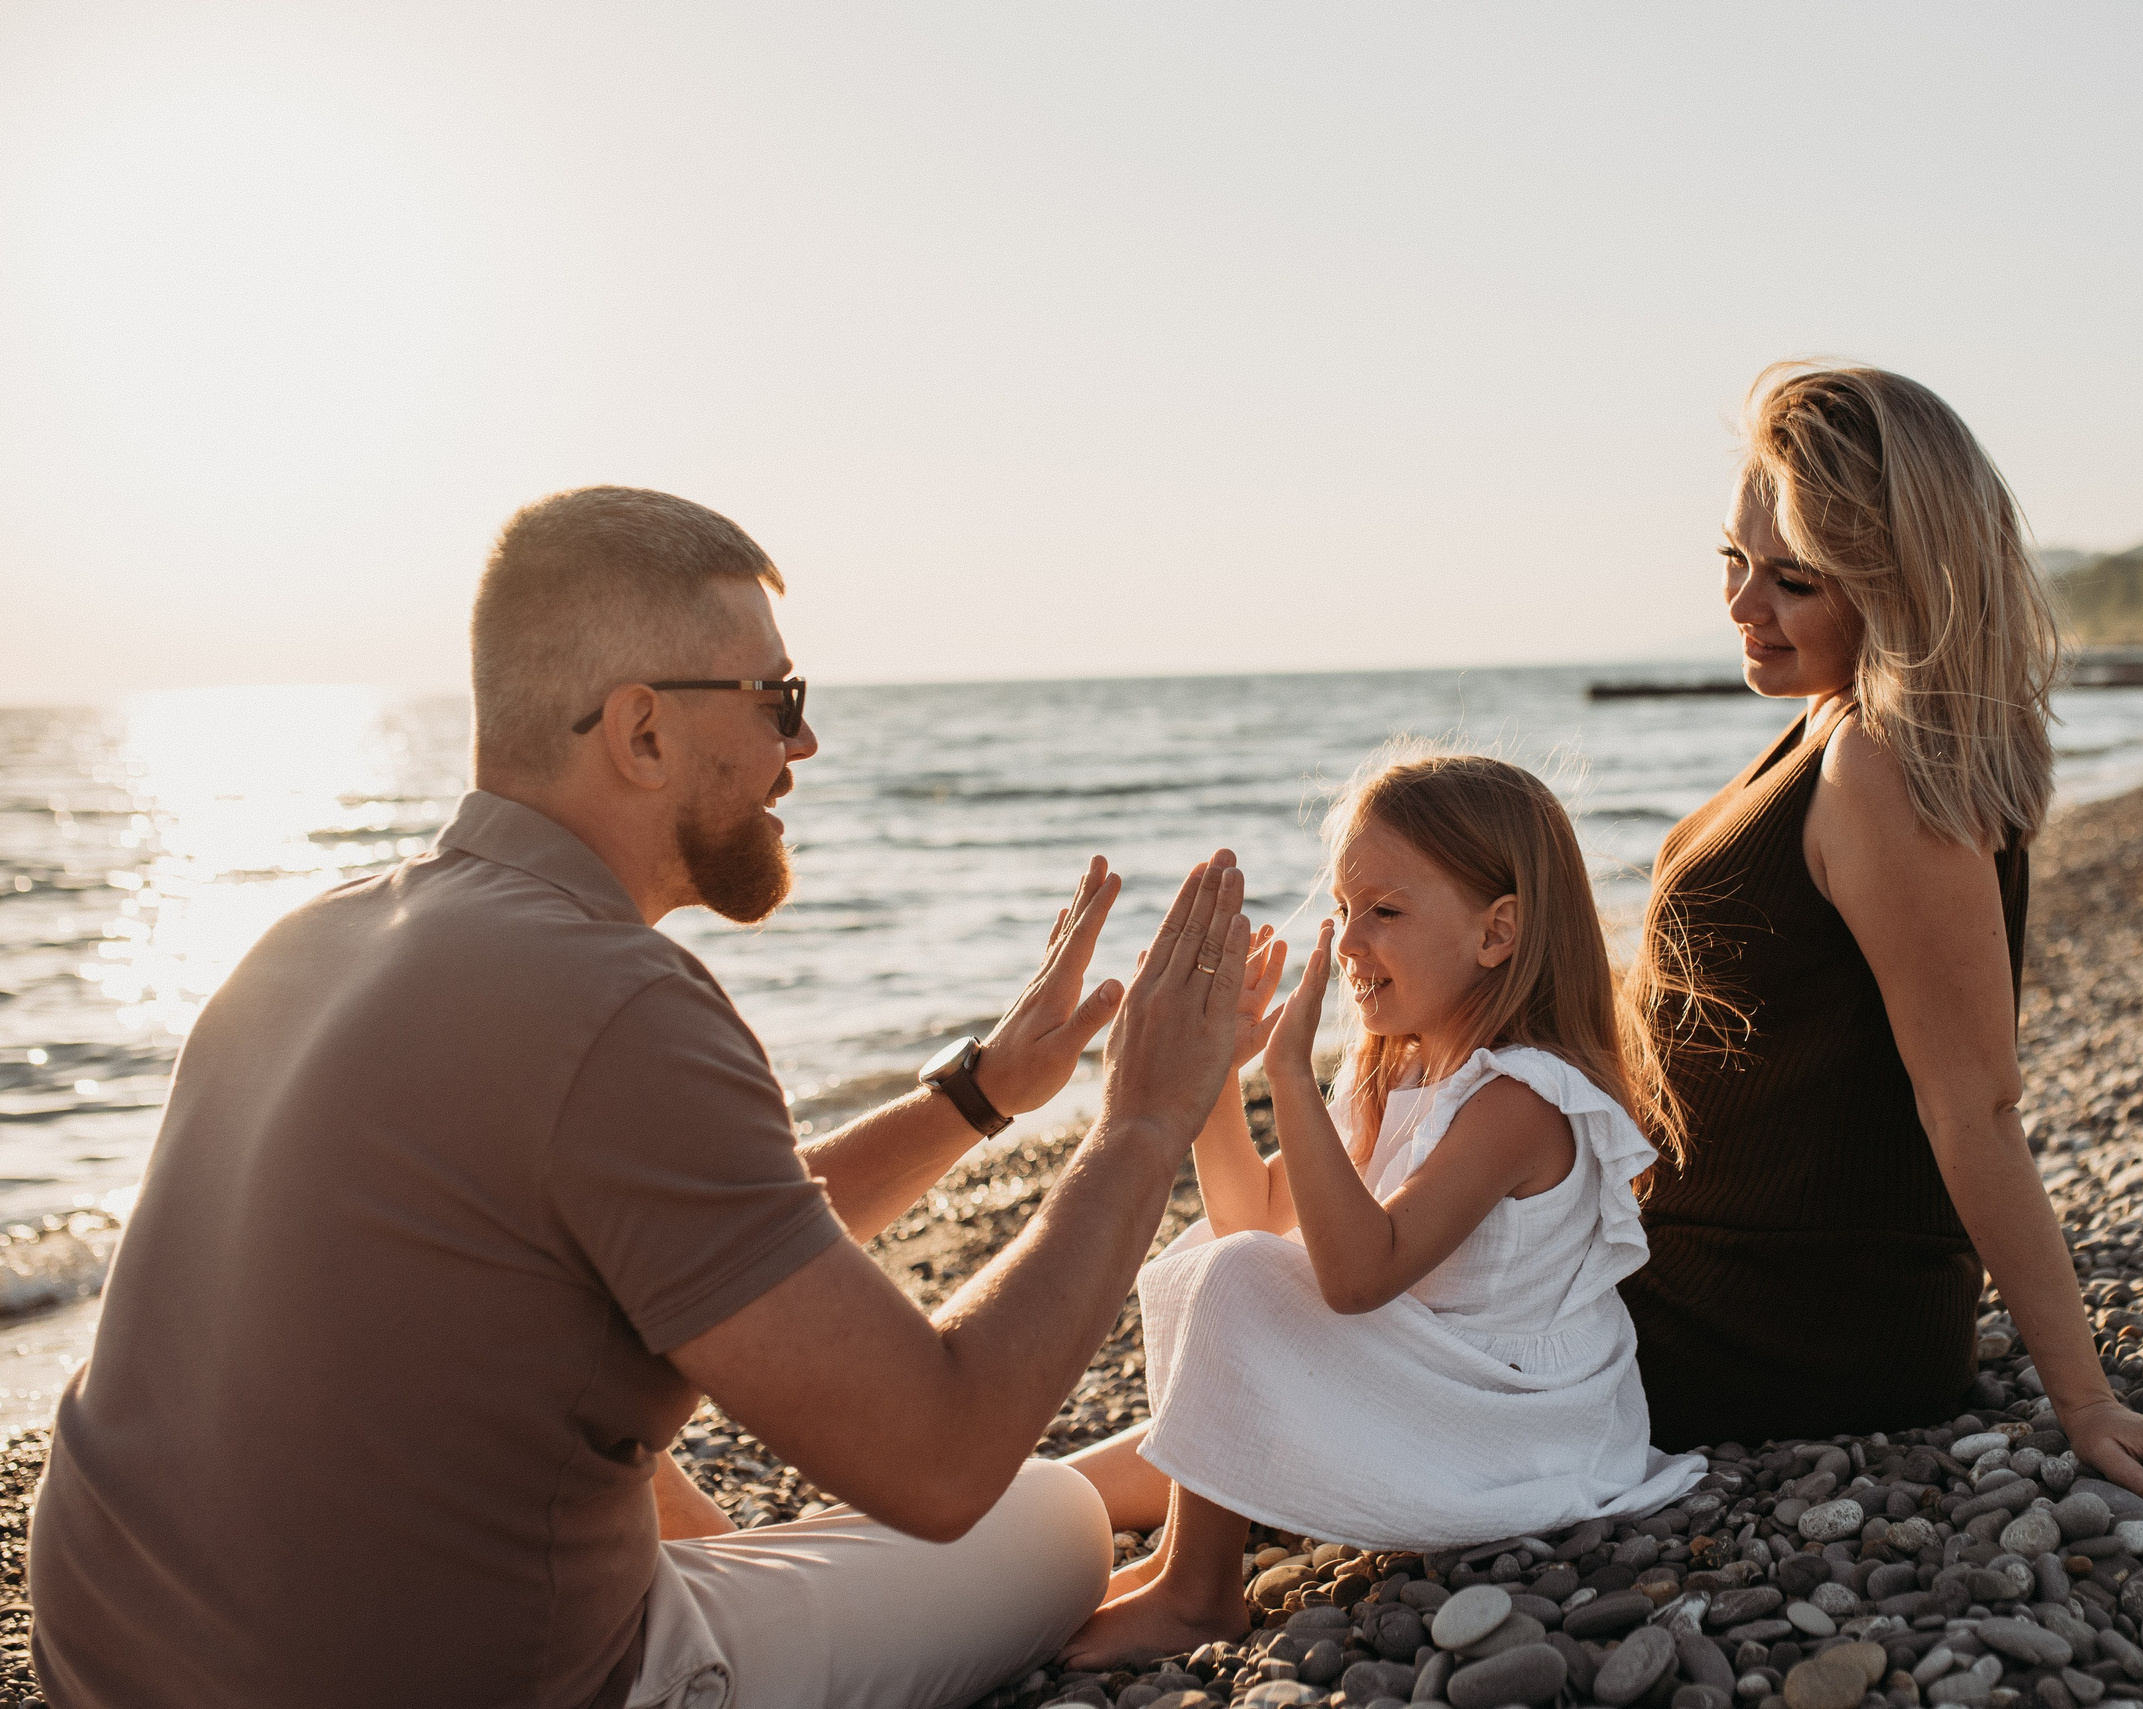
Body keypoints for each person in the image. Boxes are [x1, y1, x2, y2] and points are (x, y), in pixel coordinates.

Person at [30, 486, 1263, 1709]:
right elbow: (939, 1457)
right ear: (641, 731)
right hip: (473, 1680)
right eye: (778, 700)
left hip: (114, 1650)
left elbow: (701, 1234)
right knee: (1045, 1516)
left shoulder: (310, 936)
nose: (804, 745)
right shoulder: (616, 997)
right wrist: (1142, 1119)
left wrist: (975, 1094)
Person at [1616, 364, 2143, 1533]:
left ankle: (1193, 1563)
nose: (1740, 604)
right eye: (1731, 559)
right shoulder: (1825, 725)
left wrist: (2087, 1402)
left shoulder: (1873, 766)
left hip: (1778, 1318)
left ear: (1899, 584)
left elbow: (1973, 1107)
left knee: (1317, 1313)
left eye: (1791, 578)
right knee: (1311, 1276)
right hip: (1700, 1264)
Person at [1066, 754, 1704, 1668]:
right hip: (1434, 1382)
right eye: (1342, 909)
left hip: (1510, 1429)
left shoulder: (1521, 1099)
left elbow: (1361, 1274)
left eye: (1386, 911)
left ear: (1499, 932)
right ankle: (1149, 1542)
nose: (1350, 940)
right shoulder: (1401, 1072)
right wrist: (1219, 1083)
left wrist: (1287, 1075)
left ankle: (1197, 1593)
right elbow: (1254, 1212)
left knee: (1235, 1276)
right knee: (1222, 1254)